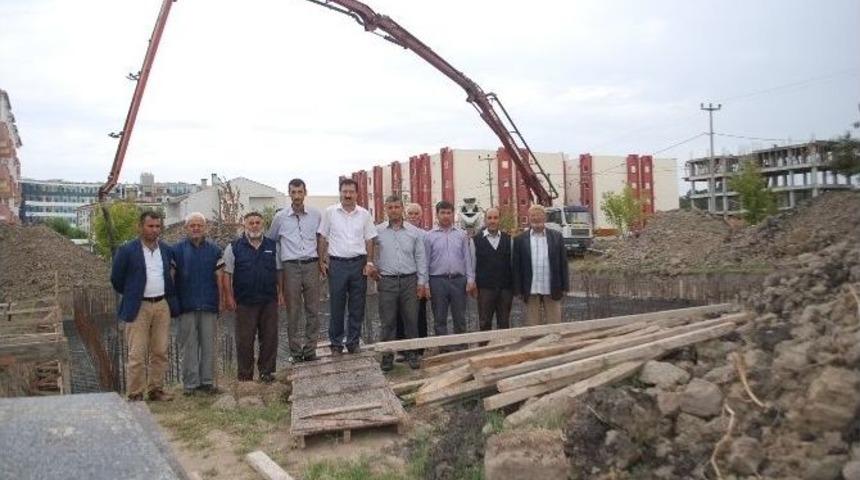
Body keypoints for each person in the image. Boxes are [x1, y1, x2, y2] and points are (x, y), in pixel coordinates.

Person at [110, 210, 179, 402]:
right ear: (140, 227)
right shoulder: (127, 251)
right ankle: (135, 393)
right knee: (137, 354)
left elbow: (169, 275)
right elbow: (116, 279)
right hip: (138, 307)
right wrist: (133, 293)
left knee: (159, 351)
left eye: (158, 226)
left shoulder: (166, 250)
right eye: (150, 226)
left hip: (161, 305)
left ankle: (156, 389)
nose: (154, 230)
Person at [317, 178, 377, 355]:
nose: (348, 195)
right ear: (340, 192)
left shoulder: (364, 214)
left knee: (357, 305)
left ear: (357, 193)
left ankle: (353, 342)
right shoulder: (330, 213)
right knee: (337, 305)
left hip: (359, 264)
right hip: (337, 264)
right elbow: (322, 237)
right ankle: (336, 344)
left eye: (351, 192)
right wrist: (321, 261)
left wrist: (370, 262)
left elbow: (370, 239)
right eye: (345, 192)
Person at [266, 178, 322, 362]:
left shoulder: (316, 215)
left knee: (313, 309)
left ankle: (310, 349)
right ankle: (296, 352)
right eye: (293, 192)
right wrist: (277, 268)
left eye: (300, 192)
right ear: (289, 193)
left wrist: (322, 261)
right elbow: (272, 241)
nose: (297, 196)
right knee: (293, 311)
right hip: (290, 267)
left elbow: (321, 238)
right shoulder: (280, 217)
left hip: (311, 265)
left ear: (305, 193)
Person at [221, 212, 281, 383]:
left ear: (263, 225)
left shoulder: (273, 246)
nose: (254, 226)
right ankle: (245, 377)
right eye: (251, 223)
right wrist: (229, 297)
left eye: (257, 222)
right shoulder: (233, 247)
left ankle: (267, 373)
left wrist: (281, 293)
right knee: (245, 341)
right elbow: (227, 274)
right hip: (245, 302)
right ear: (245, 225)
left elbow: (279, 271)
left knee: (269, 339)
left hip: (269, 300)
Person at [373, 195, 427, 371]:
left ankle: (412, 354)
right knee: (388, 321)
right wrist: (372, 268)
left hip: (409, 281)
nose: (394, 210)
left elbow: (420, 257)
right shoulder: (377, 231)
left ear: (401, 208)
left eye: (397, 207)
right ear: (386, 209)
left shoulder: (414, 232)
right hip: (387, 281)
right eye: (390, 207)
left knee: (411, 319)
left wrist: (421, 282)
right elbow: (370, 251)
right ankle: (388, 357)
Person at [173, 212, 224, 395]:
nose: (196, 228)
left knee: (209, 346)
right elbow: (171, 278)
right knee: (189, 346)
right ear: (186, 228)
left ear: (205, 228)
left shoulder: (215, 250)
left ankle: (207, 382)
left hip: (209, 304)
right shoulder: (176, 251)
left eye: (199, 225)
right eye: (192, 225)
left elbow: (220, 278)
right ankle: (190, 385)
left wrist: (222, 301)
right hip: (185, 305)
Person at [424, 200, 475, 348]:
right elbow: (425, 262)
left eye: (449, 213)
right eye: (443, 213)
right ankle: (444, 348)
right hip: (437, 281)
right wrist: (426, 284)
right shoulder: (429, 236)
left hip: (459, 281)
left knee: (460, 317)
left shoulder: (462, 235)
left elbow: (467, 258)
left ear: (453, 214)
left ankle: (461, 347)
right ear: (437, 214)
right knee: (439, 318)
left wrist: (470, 279)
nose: (446, 216)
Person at [512, 204, 569, 325]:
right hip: (531, 288)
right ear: (529, 218)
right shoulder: (520, 240)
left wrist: (565, 286)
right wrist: (518, 290)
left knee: (554, 325)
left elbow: (563, 263)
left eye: (539, 215)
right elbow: (516, 267)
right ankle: (535, 343)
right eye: (533, 215)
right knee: (532, 327)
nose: (536, 218)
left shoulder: (557, 237)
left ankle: (554, 342)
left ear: (545, 218)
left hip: (552, 287)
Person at [473, 207, 513, 330]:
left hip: (505, 289)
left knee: (504, 322)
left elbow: (512, 263)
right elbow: (472, 265)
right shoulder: (476, 240)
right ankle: (485, 348)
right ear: (485, 220)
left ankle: (504, 347)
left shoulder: (508, 239)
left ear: (499, 220)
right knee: (485, 322)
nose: (492, 221)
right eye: (489, 218)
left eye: (495, 218)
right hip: (485, 289)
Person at [404, 202, 430, 355]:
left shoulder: (425, 236)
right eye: (410, 214)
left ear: (420, 217)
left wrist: (425, 282)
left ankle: (420, 348)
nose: (413, 216)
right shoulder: (401, 233)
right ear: (406, 216)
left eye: (416, 214)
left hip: (420, 278)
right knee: (403, 314)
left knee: (420, 313)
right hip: (405, 278)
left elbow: (426, 260)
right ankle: (404, 349)